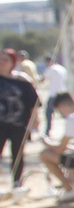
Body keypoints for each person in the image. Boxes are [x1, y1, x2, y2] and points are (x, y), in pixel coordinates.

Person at [0, 48, 40, 189]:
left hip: (19, 124)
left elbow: (33, 102)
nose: (2, 62)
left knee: (17, 154)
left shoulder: (22, 80)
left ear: (13, 62)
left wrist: (35, 120)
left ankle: (17, 182)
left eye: (5, 60)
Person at [39, 92, 74, 200]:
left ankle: (69, 188)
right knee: (69, 154)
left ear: (62, 106)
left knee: (44, 154)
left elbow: (60, 149)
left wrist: (48, 143)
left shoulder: (73, 118)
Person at [41, 55, 67, 134]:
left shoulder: (51, 69)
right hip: (62, 93)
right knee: (65, 114)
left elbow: (43, 79)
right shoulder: (62, 68)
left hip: (53, 94)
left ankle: (47, 132)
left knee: (48, 113)